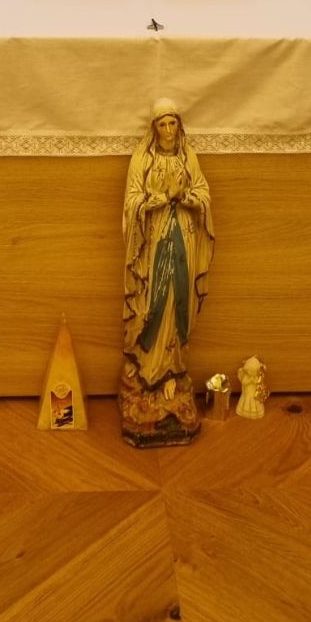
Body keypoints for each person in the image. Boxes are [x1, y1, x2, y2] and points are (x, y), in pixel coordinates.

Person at [121, 100, 215, 411]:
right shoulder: (143, 159)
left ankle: (172, 369)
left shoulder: (188, 156)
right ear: (154, 128)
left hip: (184, 238)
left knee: (179, 299)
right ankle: (147, 366)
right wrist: (162, 197)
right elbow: (132, 200)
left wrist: (184, 196)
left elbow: (203, 193)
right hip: (154, 240)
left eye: (173, 123)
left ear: (179, 125)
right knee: (153, 300)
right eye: (162, 124)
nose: (168, 130)